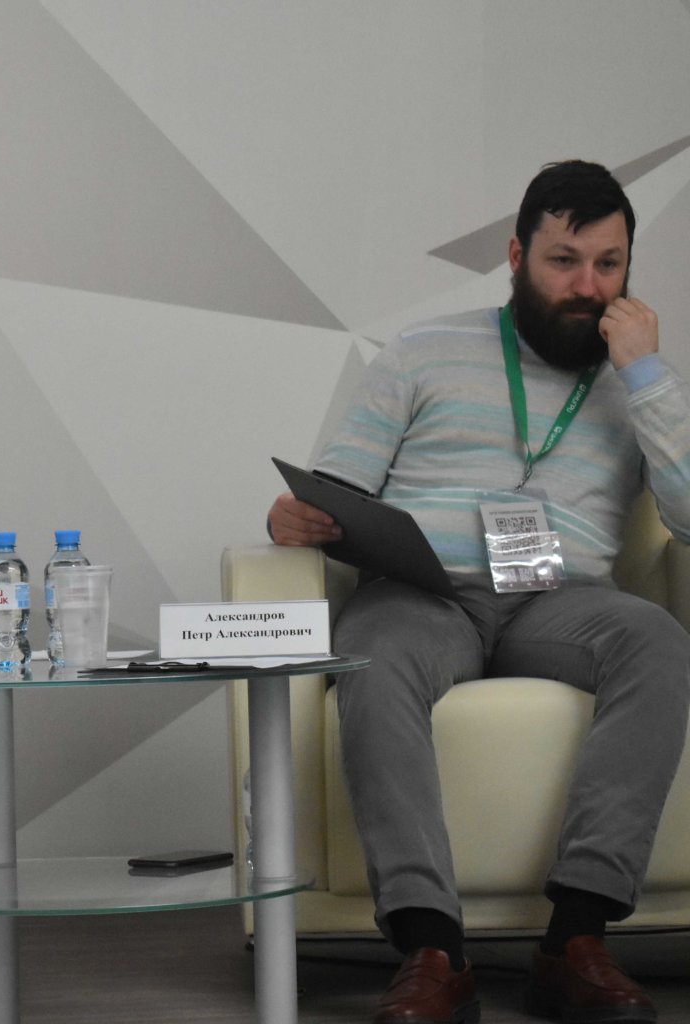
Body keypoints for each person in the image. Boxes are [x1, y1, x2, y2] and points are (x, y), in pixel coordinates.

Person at [267, 160, 690, 1024]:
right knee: (373, 655)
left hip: (560, 603)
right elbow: (339, 488)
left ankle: (575, 941)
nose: (587, 286)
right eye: (564, 261)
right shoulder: (422, 352)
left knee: (655, 639)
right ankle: (432, 950)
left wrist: (647, 376)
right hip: (425, 593)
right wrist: (296, 517)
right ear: (517, 257)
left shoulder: (637, 381)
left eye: (608, 265)